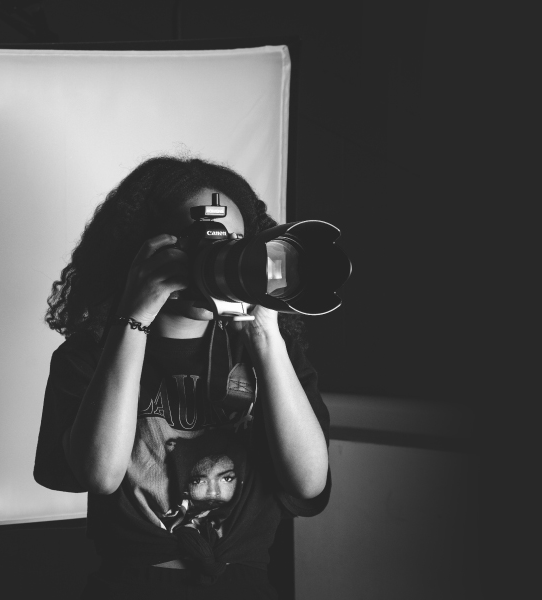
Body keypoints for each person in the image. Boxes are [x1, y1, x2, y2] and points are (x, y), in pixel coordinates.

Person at [35, 156, 332, 599]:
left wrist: (265, 333)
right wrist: (133, 318)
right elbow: (100, 474)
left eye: (232, 243)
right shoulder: (91, 356)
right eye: (198, 242)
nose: (215, 256)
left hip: (246, 585)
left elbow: (309, 483)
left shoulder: (269, 353)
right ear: (141, 248)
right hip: (131, 585)